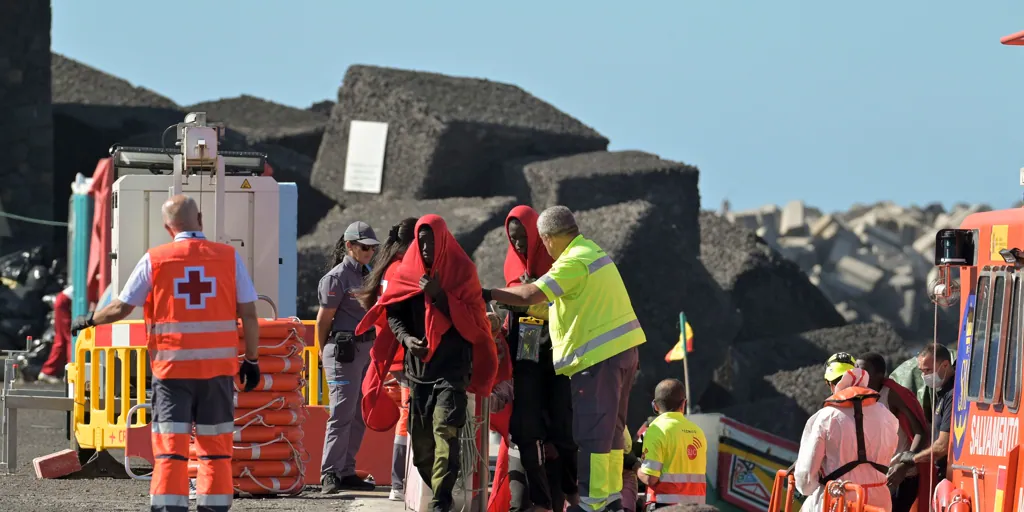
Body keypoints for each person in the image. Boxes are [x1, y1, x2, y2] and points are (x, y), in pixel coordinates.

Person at [70, 194, 261, 512]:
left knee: (171, 450)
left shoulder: (155, 260)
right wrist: (251, 360)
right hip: (217, 373)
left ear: (168, 227)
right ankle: (213, 507)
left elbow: (120, 307)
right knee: (215, 449)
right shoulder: (228, 257)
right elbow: (249, 315)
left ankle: (169, 508)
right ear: (199, 219)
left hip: (172, 374)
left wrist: (89, 319)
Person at [485, 205, 647, 512]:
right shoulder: (592, 251)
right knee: (612, 430)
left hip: (598, 359)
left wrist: (489, 294)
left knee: (592, 432)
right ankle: (610, 498)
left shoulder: (572, 261)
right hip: (623, 352)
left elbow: (531, 295)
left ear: (545, 238)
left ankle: (593, 503)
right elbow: (556, 306)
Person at [355, 214, 498, 512]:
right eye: (421, 242)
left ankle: (440, 502)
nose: (426, 247)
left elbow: (474, 321)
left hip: (452, 371)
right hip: (418, 373)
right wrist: (407, 340)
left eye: (432, 241)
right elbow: (393, 314)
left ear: (444, 240)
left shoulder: (462, 271)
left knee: (446, 432)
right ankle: (438, 491)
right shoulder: (408, 272)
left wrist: (440, 296)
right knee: (421, 448)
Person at [500, 205, 577, 512]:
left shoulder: (559, 264)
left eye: (523, 238)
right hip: (527, 353)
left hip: (558, 356)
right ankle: (542, 501)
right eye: (513, 238)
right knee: (526, 428)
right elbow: (511, 310)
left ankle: (572, 491)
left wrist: (533, 291)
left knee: (563, 428)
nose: (518, 244)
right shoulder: (510, 266)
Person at [355, 217, 418, 501]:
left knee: (404, 421)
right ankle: (400, 483)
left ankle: (399, 483)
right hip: (404, 357)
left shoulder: (387, 269)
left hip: (390, 358)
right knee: (407, 420)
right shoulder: (406, 270)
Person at [316, 220, 380, 494]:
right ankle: (329, 473)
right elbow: (323, 321)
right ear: (349, 246)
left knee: (358, 413)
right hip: (343, 351)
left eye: (372, 248)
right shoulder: (337, 277)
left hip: (365, 349)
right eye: (364, 247)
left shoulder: (369, 274)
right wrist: (322, 354)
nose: (369, 252)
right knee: (341, 412)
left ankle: (345, 470)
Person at [794, 368, 899, 512]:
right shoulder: (887, 415)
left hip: (839, 499)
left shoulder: (826, 416)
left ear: (837, 388)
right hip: (879, 500)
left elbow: (806, 477)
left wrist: (806, 487)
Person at [856, 352, 930, 512]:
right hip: (872, 478)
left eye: (864, 371)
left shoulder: (892, 395)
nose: (858, 375)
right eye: (856, 370)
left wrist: (904, 465)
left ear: (879, 375)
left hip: (897, 477)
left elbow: (921, 432)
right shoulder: (856, 396)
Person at [636, 379, 707, 509]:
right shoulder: (698, 432)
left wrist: (635, 466)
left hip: (665, 506)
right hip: (696, 507)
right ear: (684, 404)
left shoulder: (656, 430)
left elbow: (650, 478)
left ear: (655, 406)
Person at [893, 345, 954, 491]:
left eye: (928, 370)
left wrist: (913, 458)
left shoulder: (953, 395)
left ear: (945, 365)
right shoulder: (941, 392)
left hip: (950, 475)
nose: (925, 376)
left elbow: (942, 446)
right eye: (922, 371)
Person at [38, 285, 73, 383]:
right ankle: (70, 372)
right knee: (70, 338)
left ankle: (48, 371)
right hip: (65, 304)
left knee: (61, 340)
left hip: (63, 302)